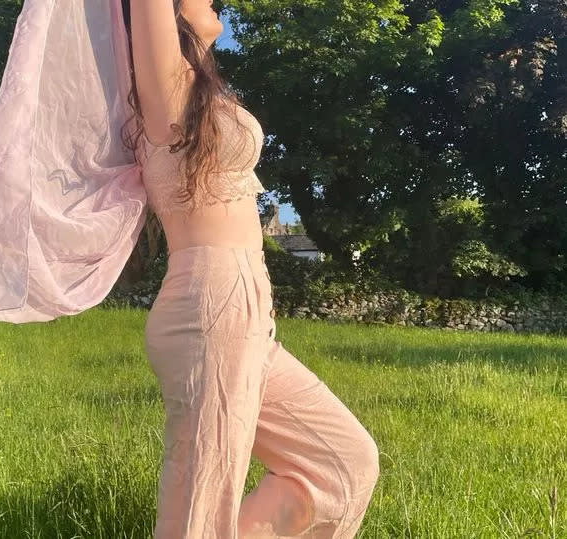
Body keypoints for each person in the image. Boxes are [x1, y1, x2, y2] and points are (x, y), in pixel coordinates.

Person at [123, 1, 381, 537]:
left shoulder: (195, 88)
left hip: (241, 305)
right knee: (202, 498)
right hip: (210, 301)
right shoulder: (162, 85)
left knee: (342, 464)